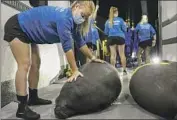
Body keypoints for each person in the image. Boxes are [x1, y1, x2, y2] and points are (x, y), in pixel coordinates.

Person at [3, 1, 104, 120]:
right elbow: (67, 47)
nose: (83, 19)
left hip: (28, 32)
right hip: (18, 26)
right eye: (83, 15)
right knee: (24, 64)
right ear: (76, 6)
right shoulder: (64, 19)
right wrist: (75, 70)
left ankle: (33, 97)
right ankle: (21, 108)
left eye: (86, 17)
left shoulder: (73, 23)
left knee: (36, 63)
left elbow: (80, 42)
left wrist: (92, 57)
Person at [104, 6, 127, 73]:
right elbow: (124, 29)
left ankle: (113, 70)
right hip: (120, 37)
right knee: (122, 54)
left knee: (113, 55)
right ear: (116, 12)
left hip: (111, 38)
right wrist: (125, 25)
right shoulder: (120, 20)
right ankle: (124, 69)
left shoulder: (108, 21)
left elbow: (106, 32)